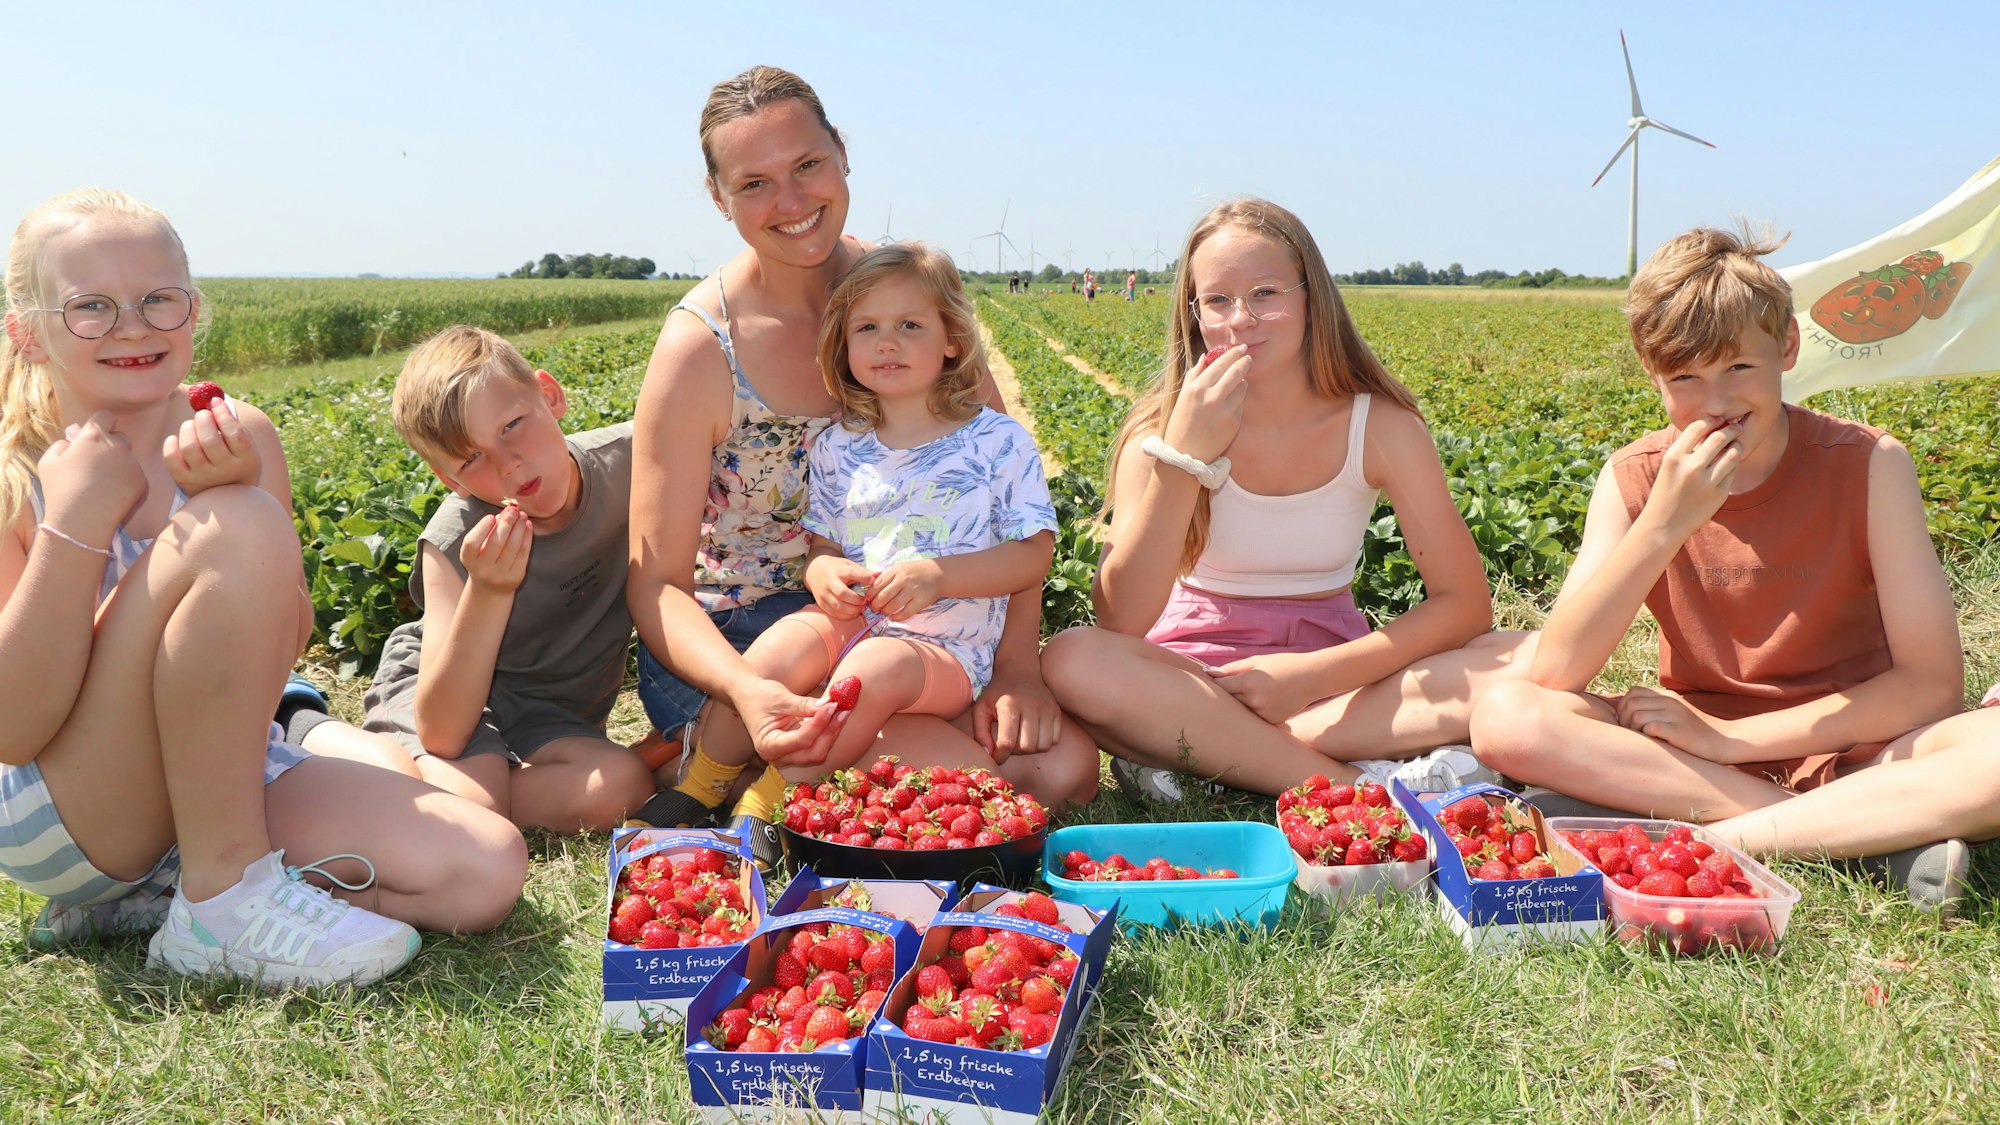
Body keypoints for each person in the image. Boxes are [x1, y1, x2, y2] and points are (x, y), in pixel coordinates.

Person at [0, 189, 525, 987]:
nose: (133, 325)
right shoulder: (18, 474)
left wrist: (245, 503)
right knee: (236, 521)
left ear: (195, 308)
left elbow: (282, 647)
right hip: (72, 811)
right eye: (91, 307)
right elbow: (12, 727)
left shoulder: (237, 432)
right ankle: (222, 908)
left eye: (157, 300)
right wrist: (76, 524)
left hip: (228, 771)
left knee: (485, 867)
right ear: (28, 331)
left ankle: (175, 889)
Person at [624, 67, 1098, 859]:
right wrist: (748, 685)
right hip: (744, 643)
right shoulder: (701, 347)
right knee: (982, 767)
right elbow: (656, 585)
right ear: (718, 196)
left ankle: (785, 783)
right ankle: (746, 782)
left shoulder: (908, 293)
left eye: (807, 164)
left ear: (842, 154)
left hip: (919, 632)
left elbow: (1011, 518)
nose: (791, 199)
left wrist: (1018, 666)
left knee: (1063, 760)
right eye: (754, 181)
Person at [1470, 226, 2000, 914]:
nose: (1715, 403)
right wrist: (1665, 522)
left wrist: (1734, 738)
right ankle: (1864, 835)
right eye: (1685, 378)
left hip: (1858, 741)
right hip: (1683, 754)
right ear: (1651, 371)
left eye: (1739, 370)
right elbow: (1555, 673)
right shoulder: (1634, 478)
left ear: (1786, 348)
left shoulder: (1869, 463)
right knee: (1506, 717)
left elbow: (1929, 687)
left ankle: (1714, 840)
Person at [1041, 197, 1532, 801]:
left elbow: (1464, 606)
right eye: (1217, 301)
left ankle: (1213, 757)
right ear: (1193, 313)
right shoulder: (1158, 431)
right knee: (1073, 658)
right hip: (1195, 680)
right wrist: (1183, 460)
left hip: (1336, 678)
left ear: (1311, 298)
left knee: (1527, 655)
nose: (1240, 318)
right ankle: (1354, 784)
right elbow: (1120, 620)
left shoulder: (1380, 426)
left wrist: (1306, 677)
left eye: (1266, 293)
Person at [649, 244, 1056, 838]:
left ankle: (775, 794)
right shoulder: (841, 445)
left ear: (952, 340)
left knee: (871, 667)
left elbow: (1033, 554)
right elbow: (823, 544)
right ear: (844, 345)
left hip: (945, 651)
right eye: (868, 328)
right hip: (855, 619)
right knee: (774, 653)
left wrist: (940, 576)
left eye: (910, 325)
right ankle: (704, 780)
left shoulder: (998, 443)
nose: (886, 343)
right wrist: (822, 575)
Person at [355, 326, 653, 832]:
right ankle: (357, 763)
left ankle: (452, 788)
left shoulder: (634, 464)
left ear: (550, 394)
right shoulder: (454, 539)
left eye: (512, 424)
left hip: (552, 716)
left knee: (623, 788)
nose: (507, 462)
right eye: (470, 459)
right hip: (445, 693)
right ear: (449, 479)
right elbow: (445, 729)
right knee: (477, 820)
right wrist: (489, 589)